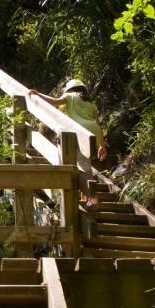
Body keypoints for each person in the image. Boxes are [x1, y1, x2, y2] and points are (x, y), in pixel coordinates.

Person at [28, 78, 107, 210]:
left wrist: (38, 94)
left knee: (76, 165)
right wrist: (102, 146)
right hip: (93, 133)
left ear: (70, 90)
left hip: (78, 132)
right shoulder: (91, 103)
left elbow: (54, 102)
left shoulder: (70, 96)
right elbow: (98, 123)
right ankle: (86, 197)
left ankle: (92, 200)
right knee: (84, 163)